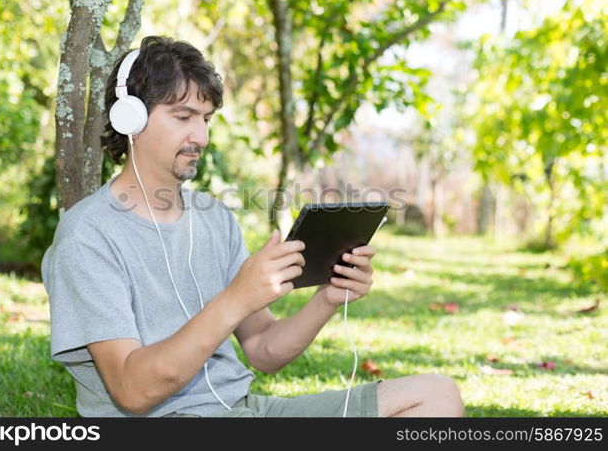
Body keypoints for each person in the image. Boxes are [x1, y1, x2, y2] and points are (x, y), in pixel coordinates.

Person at [40, 35, 465, 418]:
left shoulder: (214, 218)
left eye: (205, 119)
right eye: (183, 116)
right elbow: (132, 391)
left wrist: (328, 299)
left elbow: (263, 350)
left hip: (244, 412)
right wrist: (236, 298)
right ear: (130, 118)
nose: (201, 137)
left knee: (436, 397)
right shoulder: (88, 236)